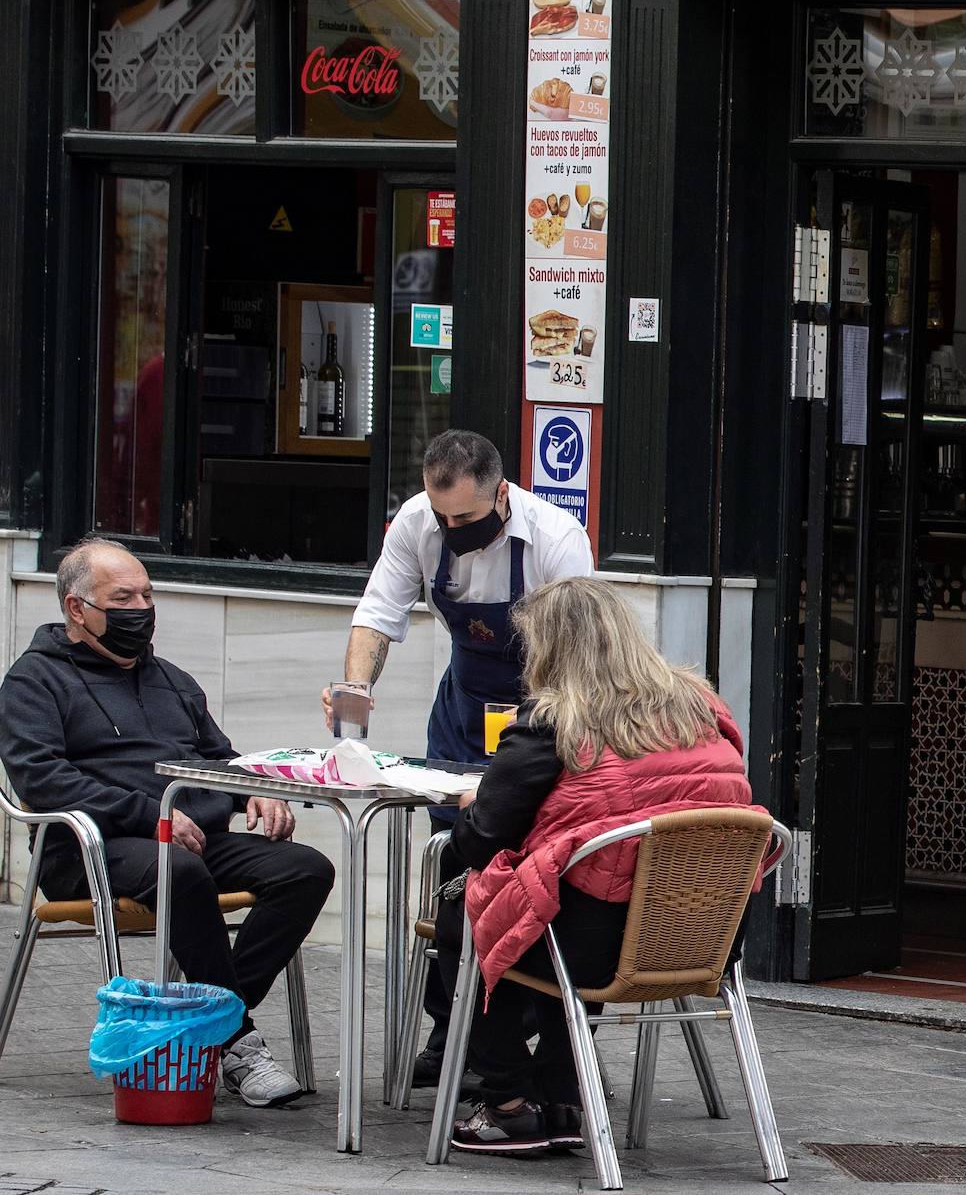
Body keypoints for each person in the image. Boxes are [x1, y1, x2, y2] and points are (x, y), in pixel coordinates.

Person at [0, 538, 335, 1108]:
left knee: (306, 869)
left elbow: (220, 758)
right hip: (88, 850)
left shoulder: (172, 679)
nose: (141, 608)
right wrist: (152, 814)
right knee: (179, 870)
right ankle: (238, 1043)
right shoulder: (34, 681)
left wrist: (254, 793)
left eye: (147, 594)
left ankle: (209, 1018)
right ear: (78, 608)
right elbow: (42, 781)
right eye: (123, 597)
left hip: (192, 838)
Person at [435, 576, 760, 1155]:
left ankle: (509, 1101)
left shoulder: (552, 723)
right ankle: (562, 1092)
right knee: (578, 889)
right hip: (700, 935)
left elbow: (482, 840)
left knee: (473, 909)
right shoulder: (703, 712)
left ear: (551, 650)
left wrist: (471, 808)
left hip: (593, 944)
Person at [326, 428, 593, 1085]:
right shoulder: (417, 524)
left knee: (527, 869)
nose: (451, 528)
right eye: (442, 516)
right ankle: (455, 1026)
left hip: (541, 717)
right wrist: (355, 697)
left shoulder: (557, 540)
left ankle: (510, 1025)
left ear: (501, 494)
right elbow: (377, 616)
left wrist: (532, 753)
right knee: (457, 863)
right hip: (462, 715)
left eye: (466, 519)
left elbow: (582, 660)